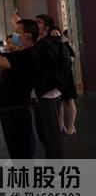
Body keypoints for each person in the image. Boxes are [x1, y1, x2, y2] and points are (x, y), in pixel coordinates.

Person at [0, 19, 40, 159]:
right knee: (14, 149)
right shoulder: (19, 53)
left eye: (17, 32)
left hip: (17, 109)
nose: (14, 35)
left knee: (22, 150)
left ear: (27, 35)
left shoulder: (29, 54)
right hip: (9, 108)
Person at [33, 14, 66, 158]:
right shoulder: (41, 44)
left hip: (48, 93)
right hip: (41, 93)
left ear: (46, 28)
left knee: (51, 134)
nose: (35, 24)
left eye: (39, 22)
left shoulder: (47, 44)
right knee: (43, 133)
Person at [50, 27, 77, 135]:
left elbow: (72, 58)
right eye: (53, 34)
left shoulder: (65, 45)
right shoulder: (49, 47)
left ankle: (71, 125)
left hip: (67, 78)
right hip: (56, 79)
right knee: (59, 103)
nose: (55, 36)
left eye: (57, 33)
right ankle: (61, 125)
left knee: (69, 101)